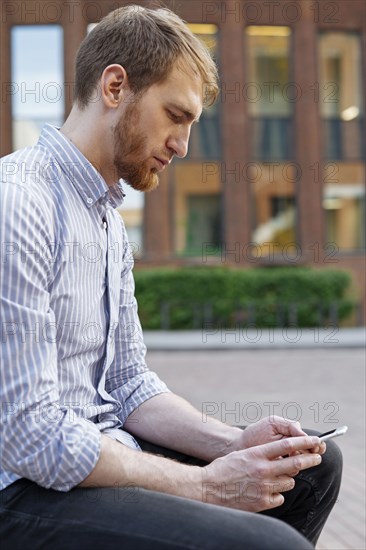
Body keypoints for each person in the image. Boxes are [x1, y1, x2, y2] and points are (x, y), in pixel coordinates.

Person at [0, 5, 342, 549]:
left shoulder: (107, 220)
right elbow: (30, 437)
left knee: (311, 470)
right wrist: (207, 485)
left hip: (100, 451)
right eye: (175, 116)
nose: (182, 146)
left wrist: (232, 443)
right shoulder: (20, 202)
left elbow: (130, 384)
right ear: (115, 87)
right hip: (24, 492)